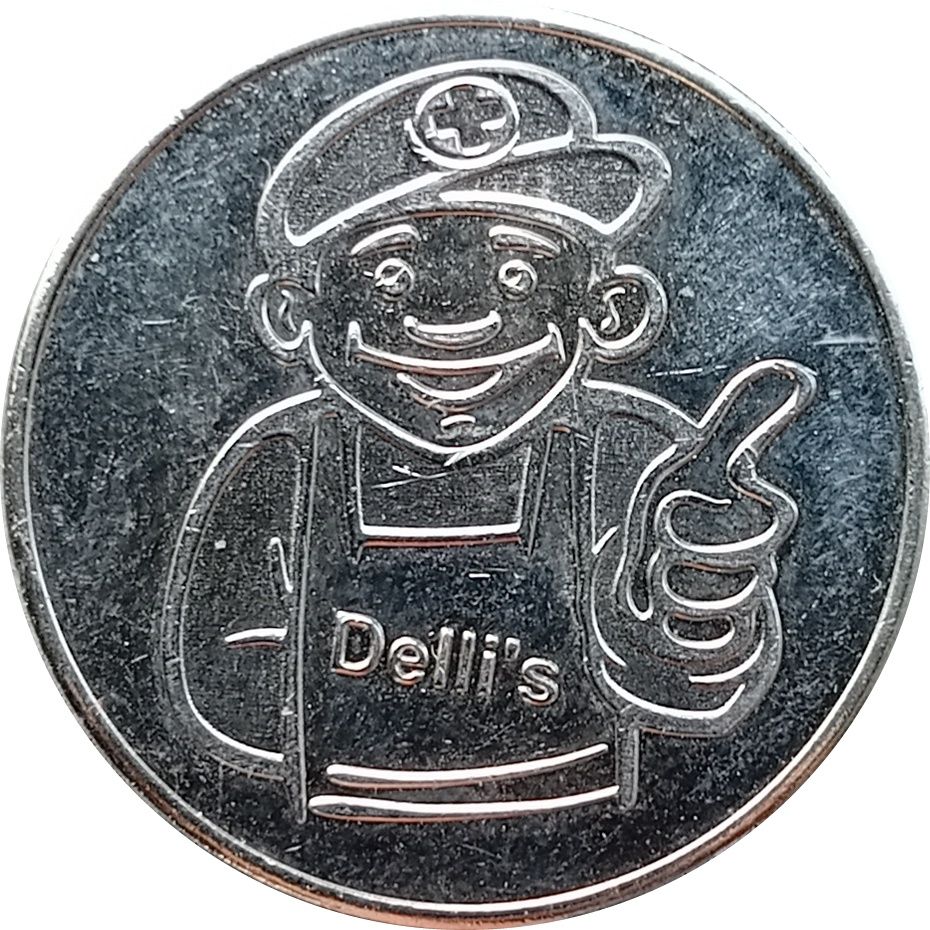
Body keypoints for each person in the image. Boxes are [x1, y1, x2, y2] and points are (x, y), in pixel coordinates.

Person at [161, 60, 815, 823]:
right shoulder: (284, 462)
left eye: (515, 275)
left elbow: (702, 685)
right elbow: (220, 686)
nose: (457, 321)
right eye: (391, 276)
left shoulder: (635, 454)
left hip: (588, 826)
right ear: (293, 314)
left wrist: (696, 618)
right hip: (339, 826)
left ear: (610, 310)